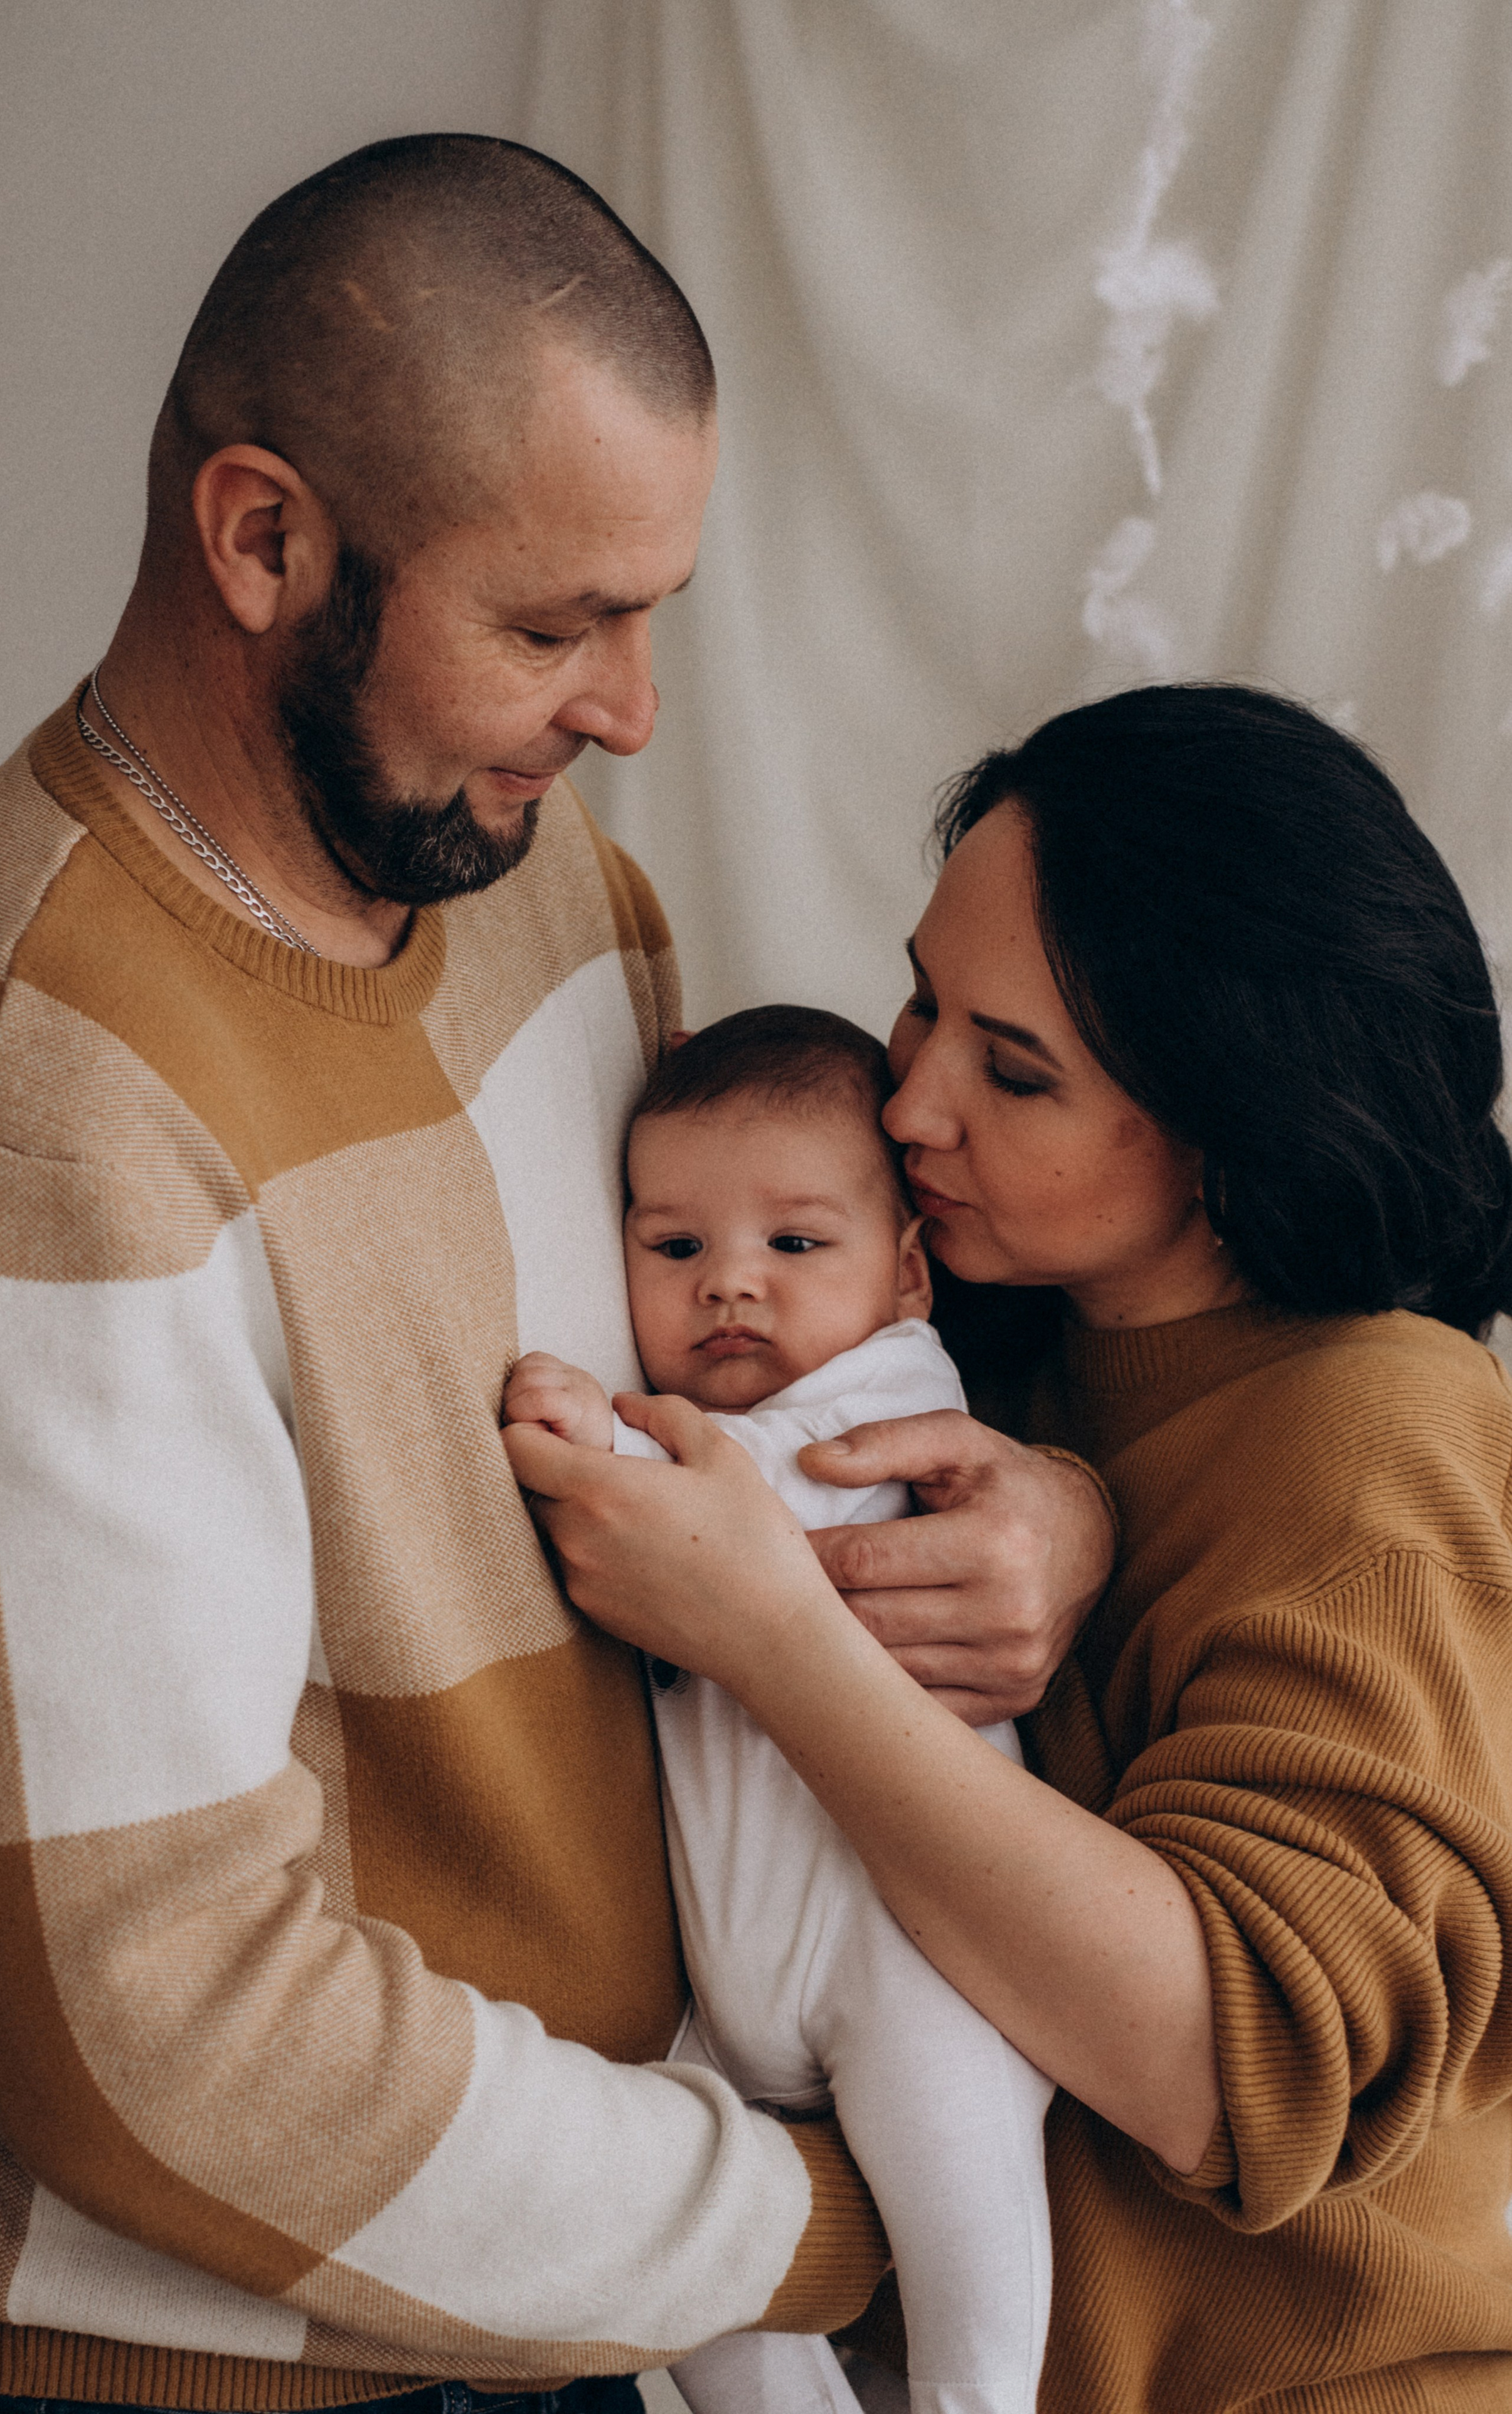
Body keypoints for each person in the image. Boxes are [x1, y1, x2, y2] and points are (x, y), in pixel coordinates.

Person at [0, 135, 1114, 2414]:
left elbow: (770, 1360)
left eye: (649, 611)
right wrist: (819, 2220)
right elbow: (160, 2033)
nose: (632, 710)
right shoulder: (41, 1103)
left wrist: (1051, 1514)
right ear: (262, 538)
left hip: (561, 2285)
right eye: (555, 625)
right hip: (216, 2356)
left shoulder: (542, 885)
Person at [506, 684, 1512, 2414]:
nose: (907, 1106)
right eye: (921, 1001)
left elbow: (1235, 2066)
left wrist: (778, 1636)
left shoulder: (1384, 1433)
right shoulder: (990, 1335)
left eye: (1014, 1070)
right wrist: (1073, 1500)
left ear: (1219, 1135)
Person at [505, 1005, 1056, 2414]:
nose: (729, 1289)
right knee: (676, 2291)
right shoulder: (699, 1408)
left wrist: (602, 1431)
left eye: (794, 1246)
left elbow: (745, 1497)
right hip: (716, 1996)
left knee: (970, 2254)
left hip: (910, 1957)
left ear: (905, 1272)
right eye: (674, 1247)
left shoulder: (888, 1397)